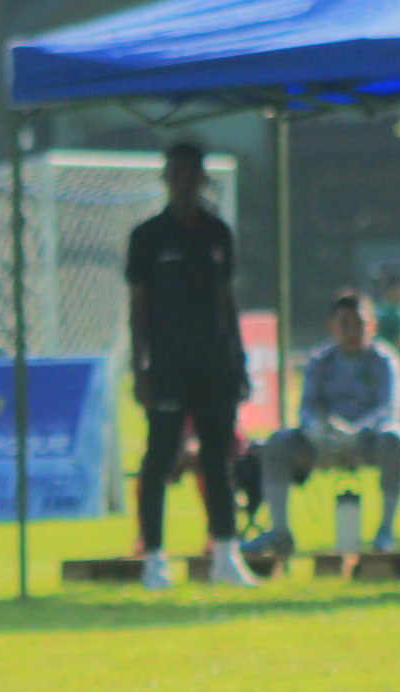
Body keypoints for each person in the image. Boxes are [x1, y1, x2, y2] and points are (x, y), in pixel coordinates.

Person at [127, 142, 257, 589]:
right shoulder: (147, 237)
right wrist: (138, 367)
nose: (185, 180)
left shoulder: (217, 232)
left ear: (202, 178)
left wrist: (239, 361)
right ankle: (154, 559)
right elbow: (137, 307)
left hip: (215, 363)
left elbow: (228, 298)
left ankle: (225, 556)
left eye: (193, 172)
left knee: (218, 458)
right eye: (177, 172)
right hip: (167, 365)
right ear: (167, 177)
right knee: (159, 459)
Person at [258, 291, 400, 553]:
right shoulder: (320, 360)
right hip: (323, 440)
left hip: (369, 440)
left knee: (396, 439)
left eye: (360, 324)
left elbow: (389, 408)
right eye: (345, 324)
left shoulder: (385, 360)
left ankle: (385, 531)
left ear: (372, 326)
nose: (353, 332)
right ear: (331, 327)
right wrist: (319, 429)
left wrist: (356, 431)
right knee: (276, 443)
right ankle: (280, 533)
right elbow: (307, 407)